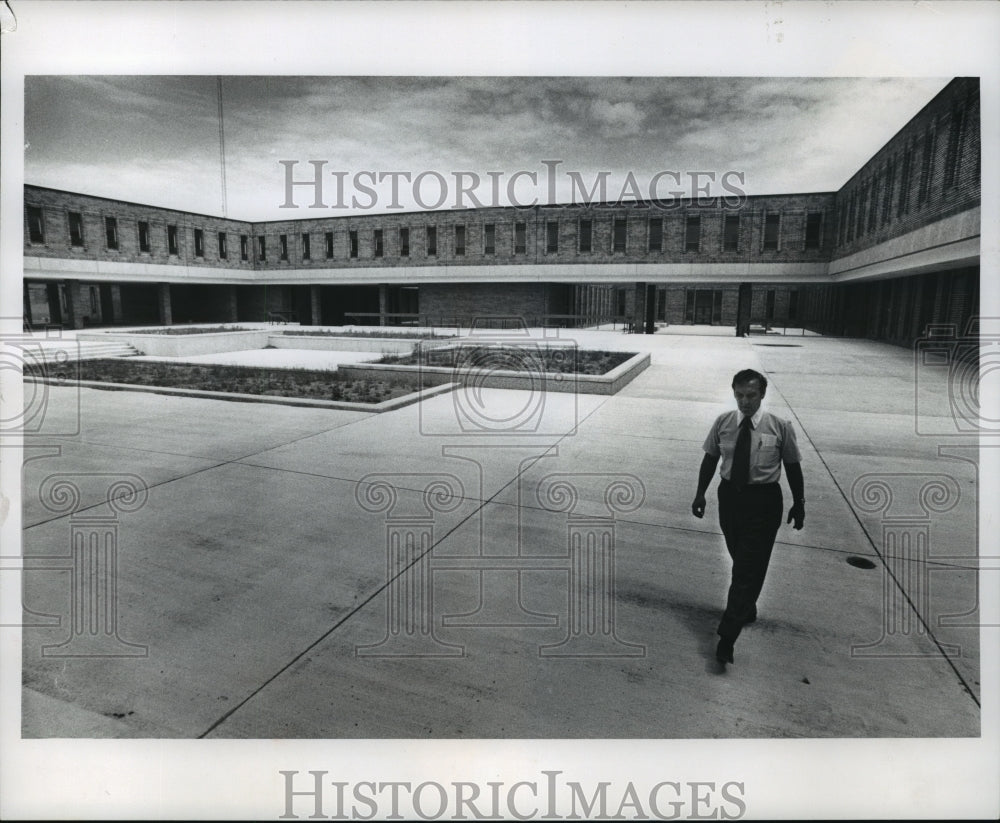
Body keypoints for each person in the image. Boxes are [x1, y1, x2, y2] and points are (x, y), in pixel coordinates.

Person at [691, 368, 805, 666]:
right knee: (740, 558)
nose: (745, 402)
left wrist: (799, 502)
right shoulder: (724, 423)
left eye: (751, 395)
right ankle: (747, 606)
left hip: (764, 501)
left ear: (762, 394)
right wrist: (700, 493)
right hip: (730, 497)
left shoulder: (779, 427)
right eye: (739, 395)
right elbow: (710, 458)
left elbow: (792, 466)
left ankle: (726, 638)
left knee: (746, 568)